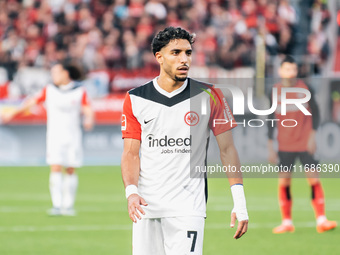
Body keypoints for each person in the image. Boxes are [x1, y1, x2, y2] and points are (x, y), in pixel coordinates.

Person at [121, 27, 248, 255]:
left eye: (188, 53)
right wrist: (131, 192)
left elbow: (227, 149)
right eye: (176, 52)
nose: (184, 59)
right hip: (145, 207)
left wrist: (240, 202)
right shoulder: (135, 98)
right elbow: (130, 153)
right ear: (159, 57)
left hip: (188, 207)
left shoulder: (210, 95)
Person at [1, 62, 94, 216]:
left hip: (73, 136)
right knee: (55, 167)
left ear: (65, 73)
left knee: (70, 168)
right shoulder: (49, 90)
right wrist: (12, 113)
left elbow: (87, 109)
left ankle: (68, 205)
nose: (53, 76)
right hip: (54, 136)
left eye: (56, 73)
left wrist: (89, 119)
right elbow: (29, 103)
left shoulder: (79, 91)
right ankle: (57, 205)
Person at [268, 55, 337, 233]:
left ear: (297, 71)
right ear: (280, 71)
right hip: (284, 144)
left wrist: (313, 136)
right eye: (287, 69)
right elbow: (270, 120)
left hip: (305, 142)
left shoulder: (305, 88)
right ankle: (287, 222)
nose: (291, 73)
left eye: (293, 69)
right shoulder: (274, 91)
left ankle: (321, 219)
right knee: (284, 182)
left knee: (313, 179)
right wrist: (270, 145)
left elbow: (317, 113)